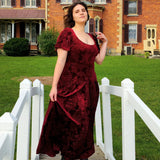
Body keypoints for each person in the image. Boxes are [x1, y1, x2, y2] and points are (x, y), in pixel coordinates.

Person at [36, 1, 108, 160]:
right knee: (75, 126)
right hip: (71, 87)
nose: (82, 12)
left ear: (87, 14)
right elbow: (60, 61)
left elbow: (99, 60)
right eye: (77, 11)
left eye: (84, 10)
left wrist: (105, 43)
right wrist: (54, 86)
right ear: (72, 16)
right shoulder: (67, 34)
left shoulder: (91, 37)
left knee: (86, 126)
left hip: (90, 89)